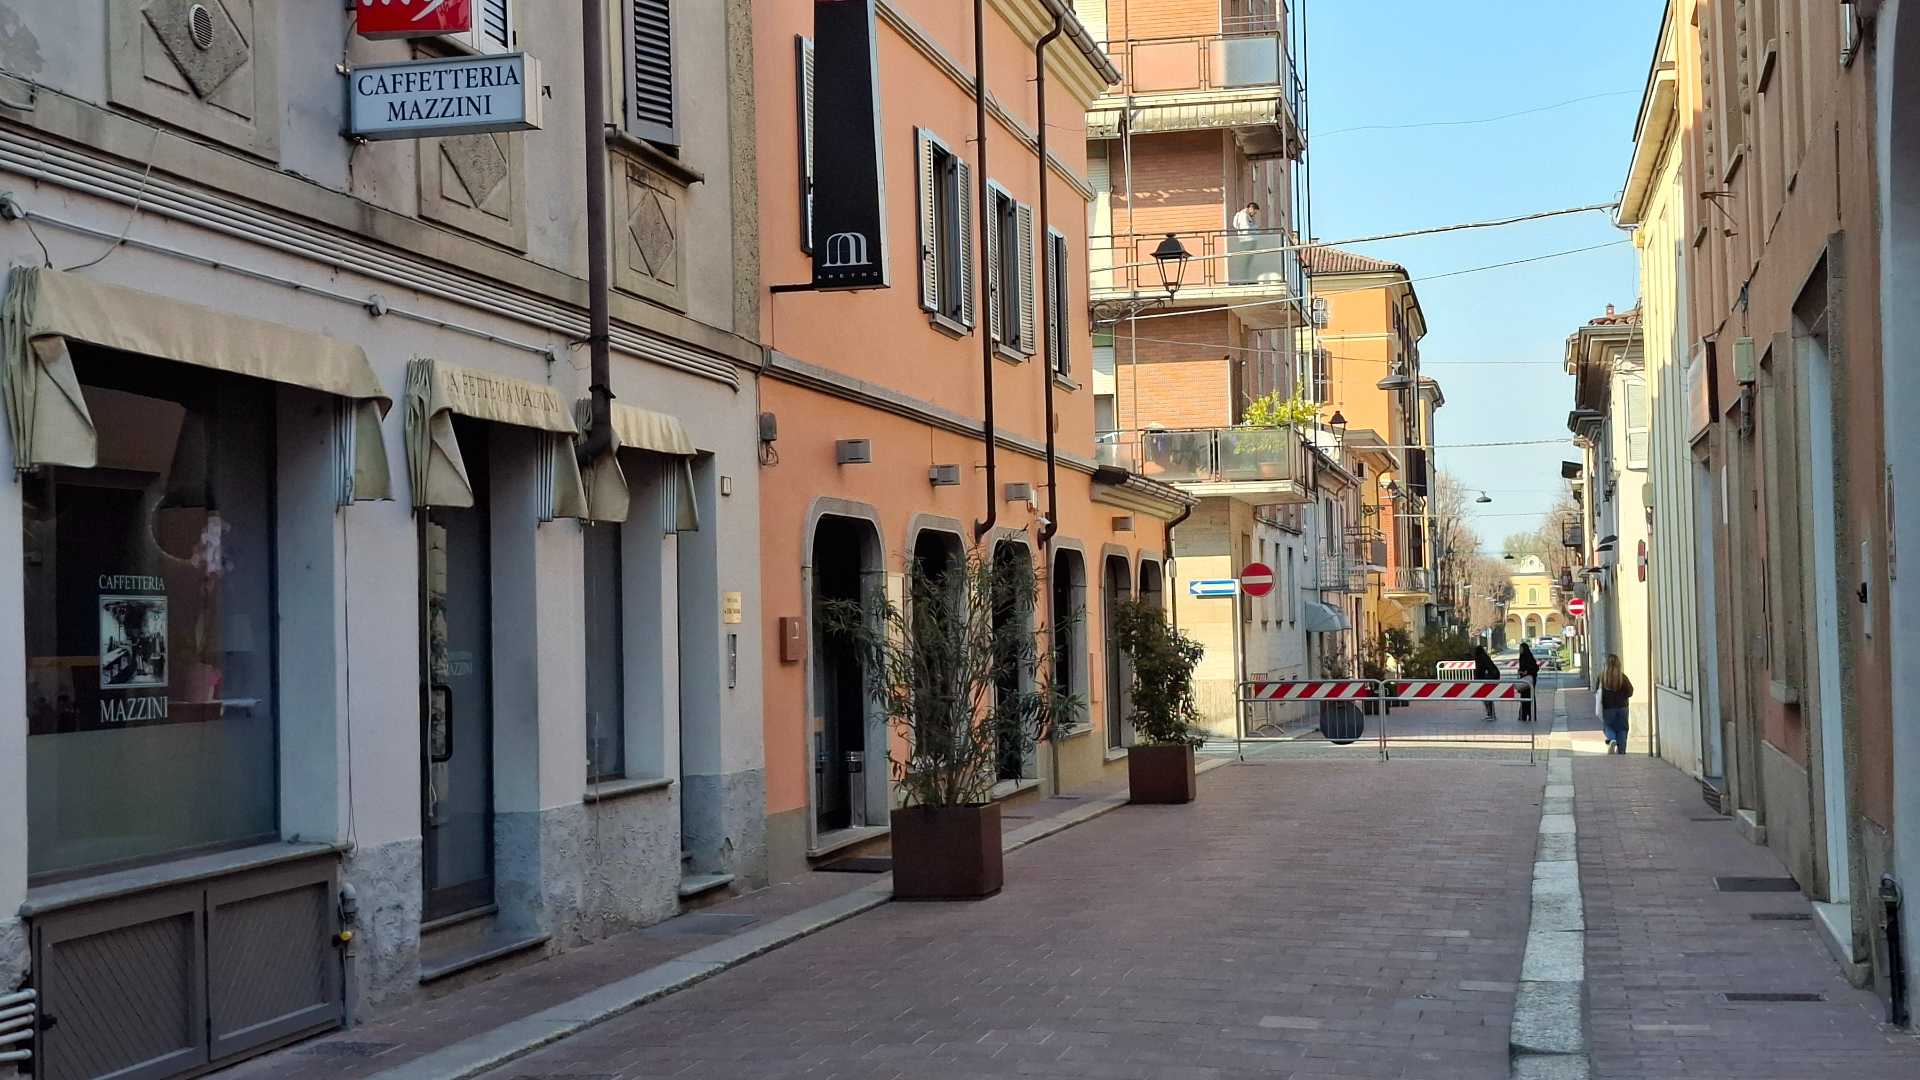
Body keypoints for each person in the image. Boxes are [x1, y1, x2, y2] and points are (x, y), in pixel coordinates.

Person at [1600, 653, 1634, 754]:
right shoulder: (1623, 677)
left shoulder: (1602, 678)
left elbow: (1597, 692)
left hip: (1607, 708)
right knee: (1622, 729)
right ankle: (1622, 751)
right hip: (1622, 708)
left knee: (1608, 726)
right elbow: (1630, 691)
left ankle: (1612, 739)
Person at [1473, 645, 1501, 720]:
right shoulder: (1484, 656)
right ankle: (1491, 713)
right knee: (1487, 696)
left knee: (1486, 696)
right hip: (1494, 676)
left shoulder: (1480, 657)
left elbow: (1479, 670)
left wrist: (1477, 679)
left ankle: (1490, 713)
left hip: (1490, 677)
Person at [1517, 642, 1540, 723]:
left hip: (1529, 680)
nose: (1519, 650)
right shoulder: (1521, 657)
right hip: (1524, 681)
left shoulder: (1529, 657)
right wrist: (1520, 671)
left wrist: (1527, 672)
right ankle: (1523, 715)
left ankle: (1531, 715)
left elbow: (1535, 667)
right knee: (1524, 698)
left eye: (1521, 648)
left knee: (1529, 697)